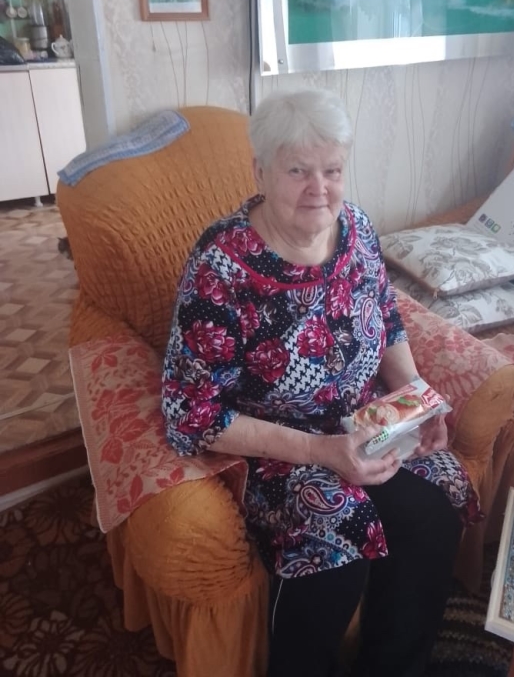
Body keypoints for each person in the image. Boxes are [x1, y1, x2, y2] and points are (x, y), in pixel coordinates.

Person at [161, 89, 480, 677]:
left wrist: (420, 398)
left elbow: (386, 317)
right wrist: (322, 452)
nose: (320, 189)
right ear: (260, 172)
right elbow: (193, 413)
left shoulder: (356, 226)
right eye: (298, 171)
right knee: (335, 551)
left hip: (364, 425)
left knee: (434, 510)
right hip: (280, 448)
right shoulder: (221, 264)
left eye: (332, 170)